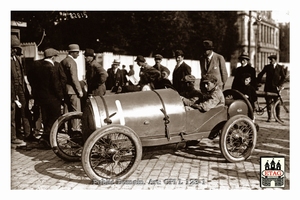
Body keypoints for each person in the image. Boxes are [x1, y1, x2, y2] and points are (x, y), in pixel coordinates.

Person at [34, 48, 65, 148]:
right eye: (55, 57)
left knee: (46, 119)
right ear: (52, 57)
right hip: (52, 99)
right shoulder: (51, 68)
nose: (56, 59)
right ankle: (46, 139)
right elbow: (56, 85)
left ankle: (45, 139)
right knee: (54, 119)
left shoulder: (38, 67)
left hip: (42, 98)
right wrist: (61, 97)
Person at [60, 44, 83, 134]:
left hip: (66, 90)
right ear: (72, 52)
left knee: (67, 111)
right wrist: (79, 90)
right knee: (75, 111)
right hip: (73, 90)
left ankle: (66, 128)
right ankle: (75, 130)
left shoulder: (63, 61)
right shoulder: (72, 62)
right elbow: (74, 78)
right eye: (77, 53)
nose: (78, 54)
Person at [257, 55, 286, 122]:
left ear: (275, 60)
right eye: (270, 60)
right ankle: (269, 117)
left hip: (276, 89)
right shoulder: (267, 67)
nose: (271, 61)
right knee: (268, 103)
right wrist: (258, 82)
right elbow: (260, 74)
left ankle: (277, 117)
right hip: (268, 88)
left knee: (277, 104)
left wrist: (279, 85)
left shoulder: (280, 67)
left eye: (272, 60)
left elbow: (283, 77)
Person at [11, 36, 27, 146]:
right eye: (13, 48)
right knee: (11, 114)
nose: (15, 50)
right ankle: (12, 137)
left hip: (20, 89)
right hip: (11, 92)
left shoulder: (16, 59)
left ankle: (23, 134)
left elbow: (20, 74)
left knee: (22, 112)